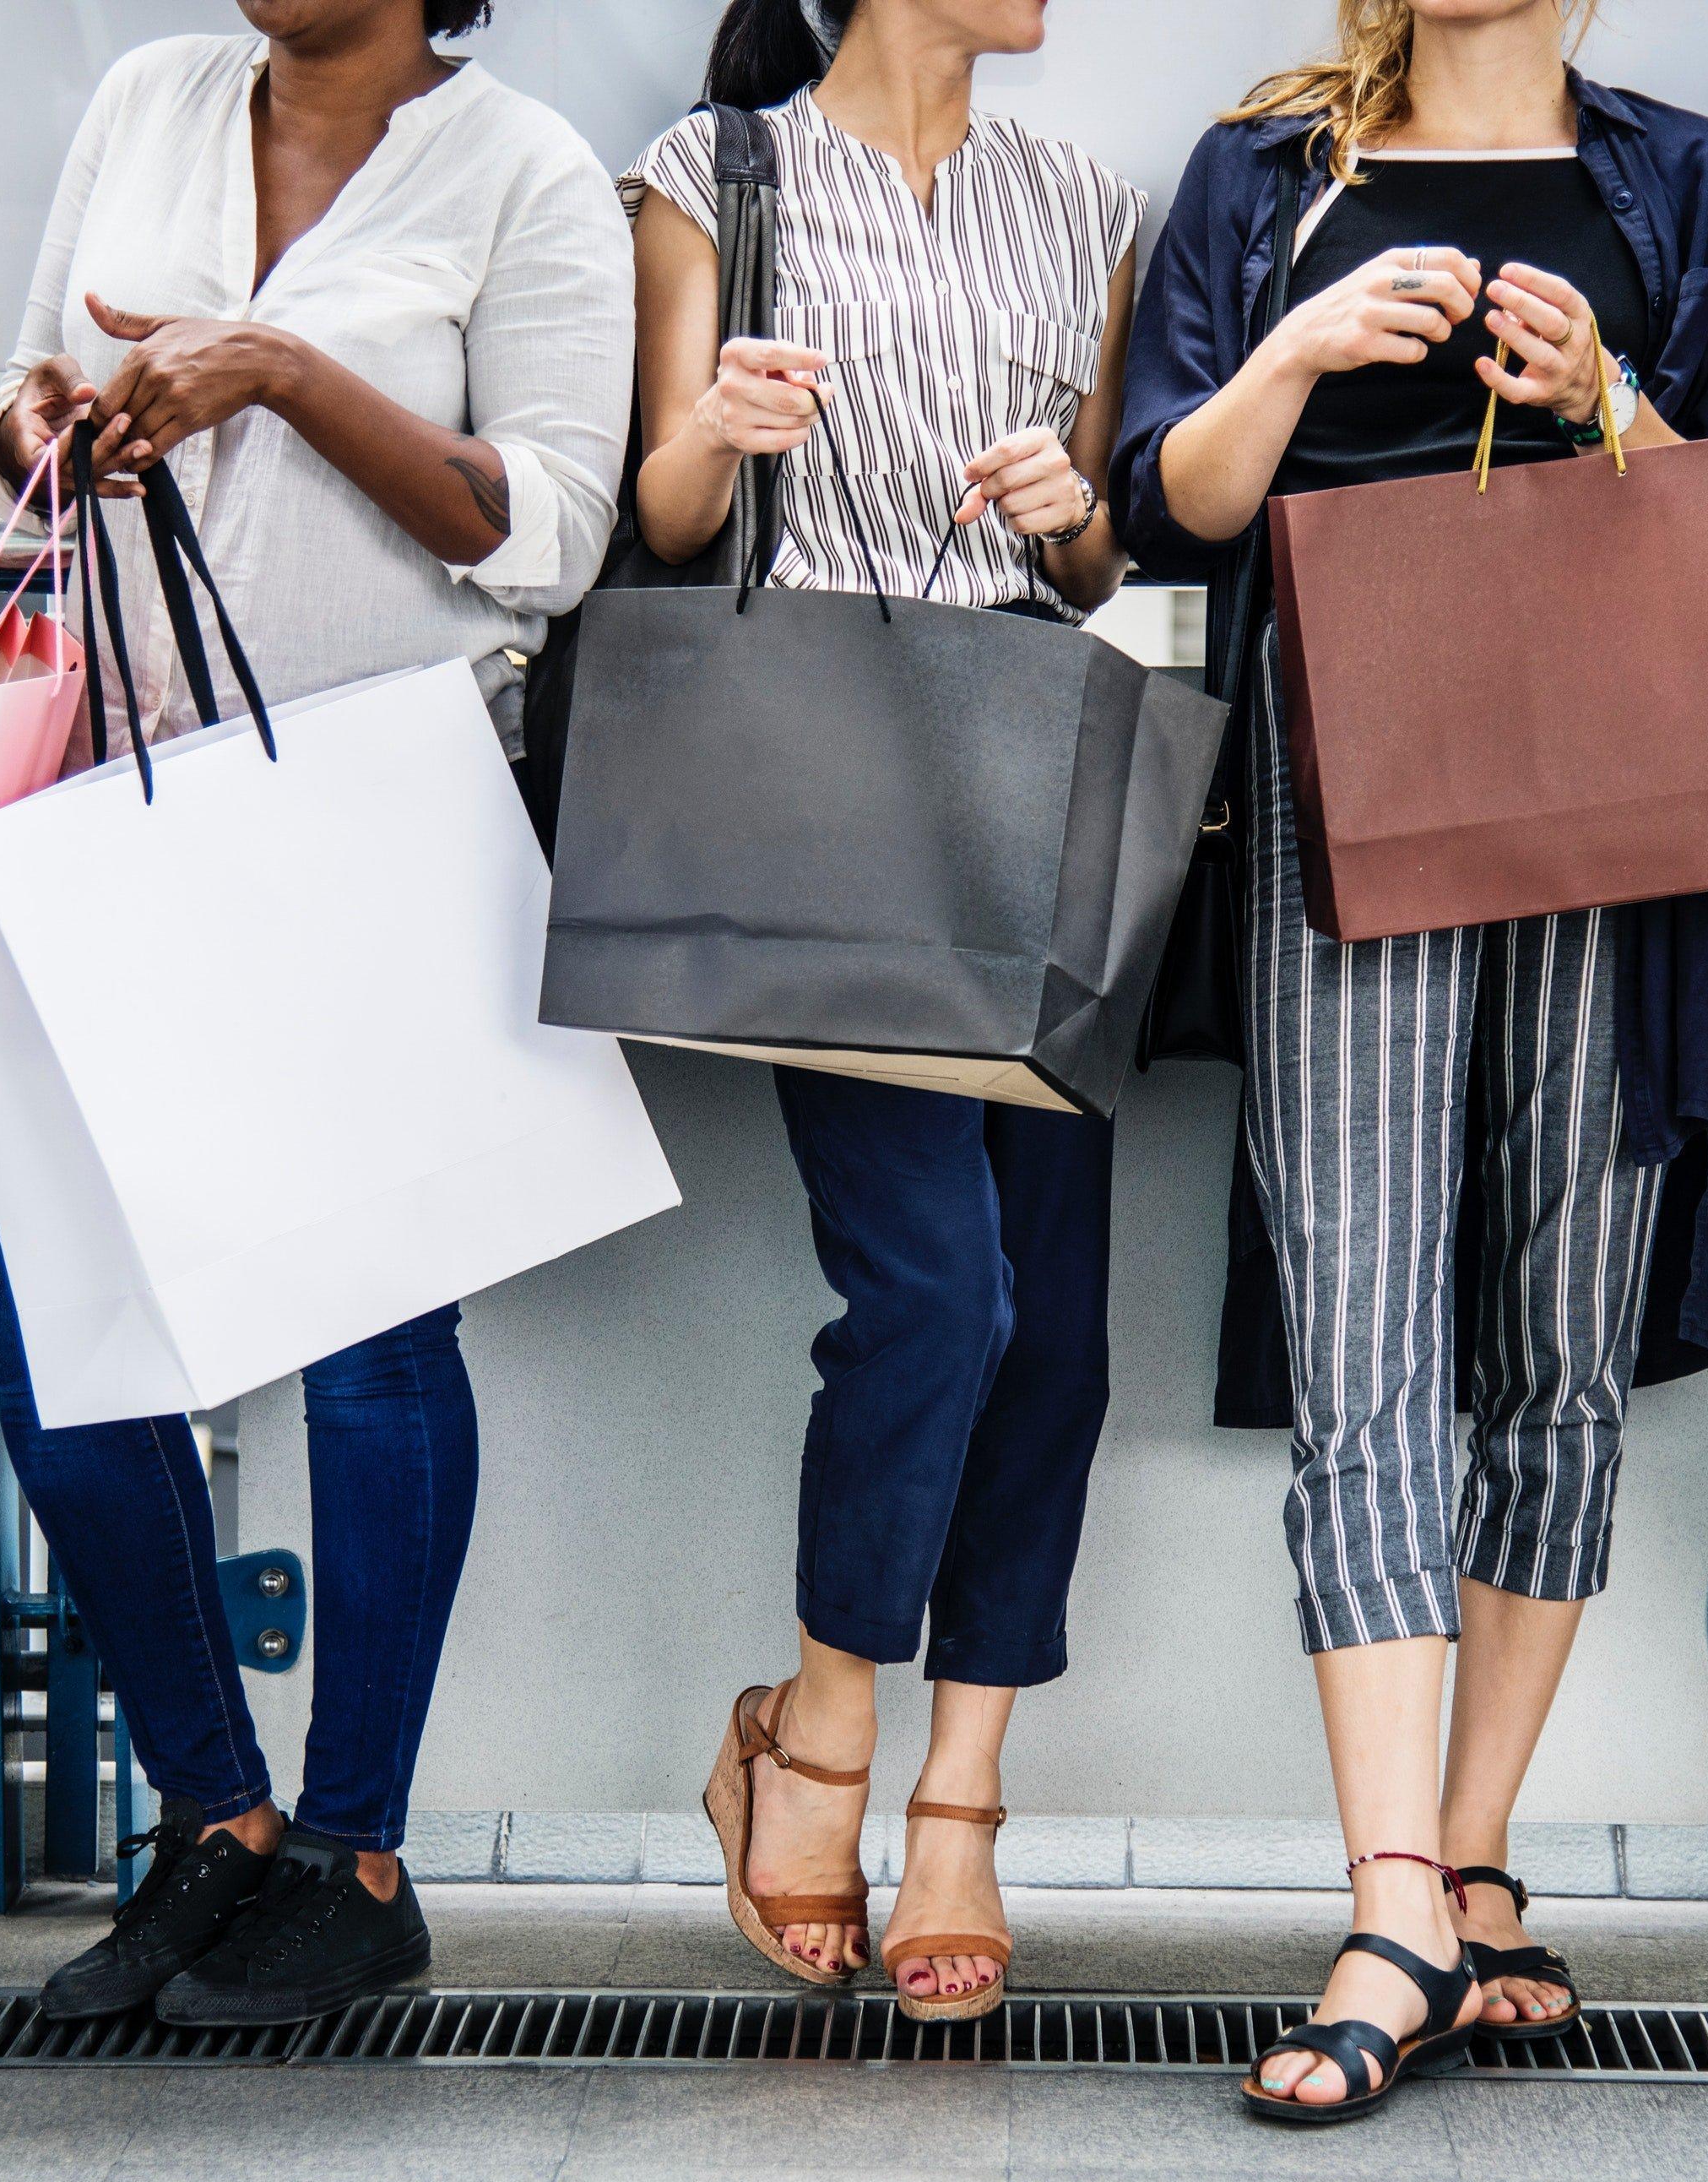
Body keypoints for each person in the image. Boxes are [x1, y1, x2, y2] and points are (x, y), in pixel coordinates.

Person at [0, 0, 632, 2027]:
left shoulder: (520, 172)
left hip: (379, 811)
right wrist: (45, 424)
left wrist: (278, 372)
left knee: (365, 1339)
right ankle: (214, 1819)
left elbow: (551, 530)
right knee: (38, 1308)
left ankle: (355, 1851)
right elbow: (6, 397)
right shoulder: (149, 95)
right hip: (109, 798)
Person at [1113, 0, 1708, 2118]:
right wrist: (1297, 354)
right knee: (1366, 1328)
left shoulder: (1685, 182)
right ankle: (1387, 1893)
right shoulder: (1262, 174)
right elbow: (1162, 509)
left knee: (1561, 1329)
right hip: (1344, 777)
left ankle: (1473, 1854)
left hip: (1614, 791)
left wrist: (1604, 395)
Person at [632, 0, 1142, 2020]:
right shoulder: (710, 174)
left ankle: (961, 1797)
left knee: (1060, 1323)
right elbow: (667, 521)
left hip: (1028, 779)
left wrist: (1061, 508)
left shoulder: (1082, 197)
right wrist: (719, 435)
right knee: (938, 1295)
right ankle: (816, 1716)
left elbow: (1101, 557)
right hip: (819, 789)